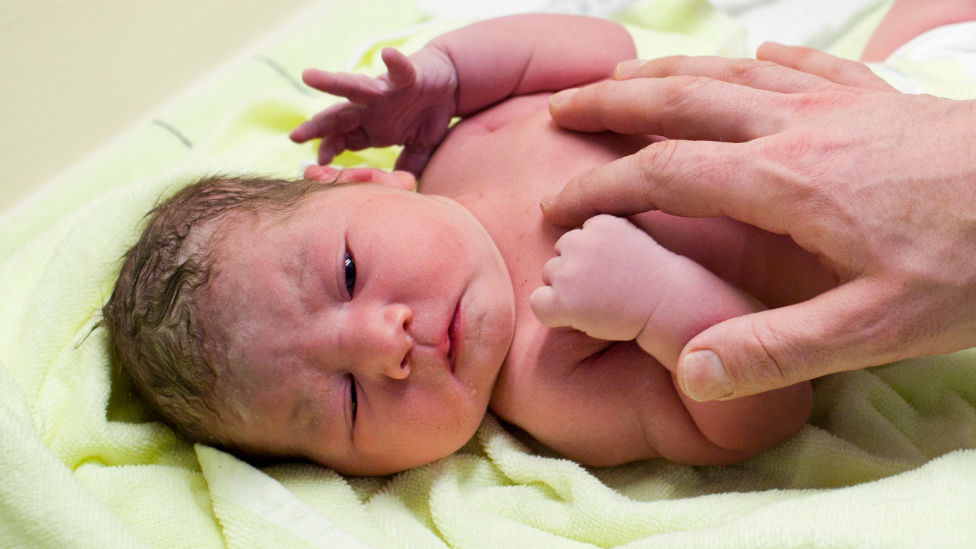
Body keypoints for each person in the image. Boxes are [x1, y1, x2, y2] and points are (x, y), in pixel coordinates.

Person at [105, 14, 825, 477]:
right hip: (873, 227)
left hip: (839, 89)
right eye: (349, 398)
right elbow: (767, 417)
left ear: (348, 181)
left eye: (348, 272)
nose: (386, 342)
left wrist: (452, 76)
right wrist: (663, 304)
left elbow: (609, 49)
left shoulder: (457, 146)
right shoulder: (548, 378)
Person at [538, 0, 976, 403]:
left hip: (886, 115)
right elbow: (756, 409)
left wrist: (465, 70)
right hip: (883, 119)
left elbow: (598, 43)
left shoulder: (474, 142)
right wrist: (660, 308)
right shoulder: (536, 366)